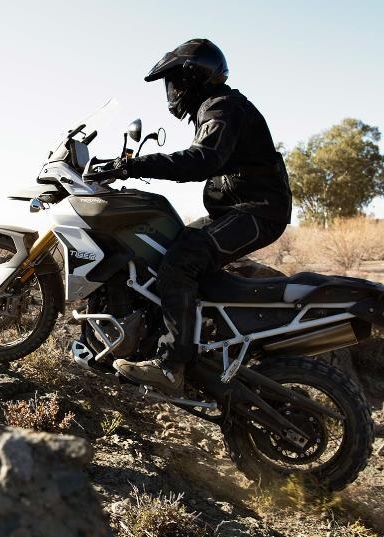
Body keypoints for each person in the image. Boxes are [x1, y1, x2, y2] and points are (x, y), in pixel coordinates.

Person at [95, 39, 292, 395]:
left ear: (193, 77)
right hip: (241, 210)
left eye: (175, 82)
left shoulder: (222, 107)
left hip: (257, 212)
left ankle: (171, 365)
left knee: (182, 261)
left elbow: (202, 160)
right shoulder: (219, 106)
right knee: (170, 248)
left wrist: (132, 166)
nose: (171, 92)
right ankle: (190, 343)